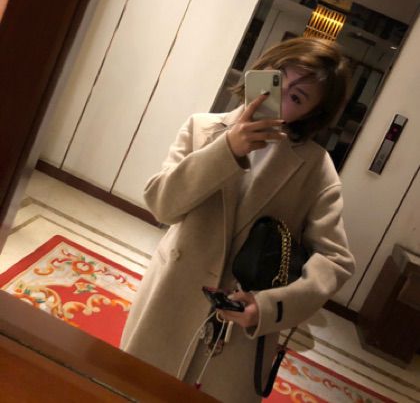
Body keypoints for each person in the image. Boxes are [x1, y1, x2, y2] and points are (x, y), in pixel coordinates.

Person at [120, 37, 356, 403]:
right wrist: (226, 150)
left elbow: (335, 261)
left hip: (240, 330)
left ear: (312, 113)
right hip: (171, 300)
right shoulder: (202, 128)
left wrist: (271, 307)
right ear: (262, 70)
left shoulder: (315, 168)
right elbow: (162, 206)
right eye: (278, 79)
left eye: (297, 97)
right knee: (134, 390)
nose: (277, 96)